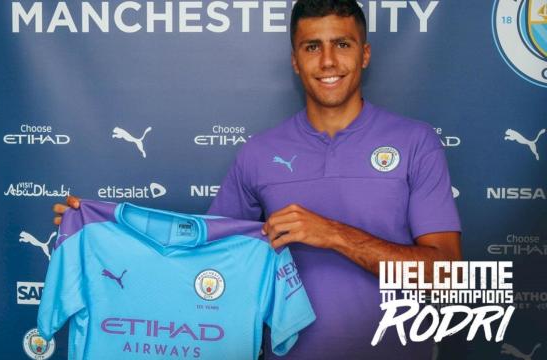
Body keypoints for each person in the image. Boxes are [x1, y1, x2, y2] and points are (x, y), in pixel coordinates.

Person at [53, 1, 461, 358]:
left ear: (365, 53)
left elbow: (447, 275)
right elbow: (203, 255)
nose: (328, 62)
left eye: (342, 44)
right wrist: (103, 231)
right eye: (312, 47)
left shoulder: (414, 142)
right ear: (295, 60)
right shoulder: (259, 153)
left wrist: (332, 233)